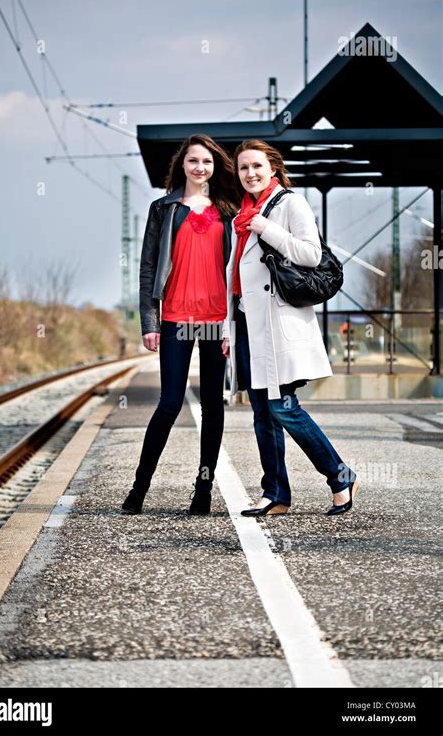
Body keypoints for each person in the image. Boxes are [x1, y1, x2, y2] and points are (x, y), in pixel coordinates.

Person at [222, 140, 358, 517]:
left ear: (273, 169)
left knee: (282, 407)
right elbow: (233, 278)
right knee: (262, 412)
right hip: (248, 322)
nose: (249, 173)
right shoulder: (244, 212)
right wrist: (225, 329)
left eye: (256, 166)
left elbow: (311, 255)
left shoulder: (287, 205)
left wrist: (265, 228)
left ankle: (340, 475)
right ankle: (276, 493)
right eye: (243, 167)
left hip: (279, 324)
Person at [122, 134, 238, 516]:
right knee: (169, 403)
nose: (199, 167)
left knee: (212, 405)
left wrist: (234, 325)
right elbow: (147, 269)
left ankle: (203, 491)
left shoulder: (230, 211)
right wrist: (149, 322)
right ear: (182, 165)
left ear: (214, 166)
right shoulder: (163, 209)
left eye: (206, 161)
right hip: (174, 317)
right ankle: (140, 488)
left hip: (216, 320)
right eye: (193, 161)